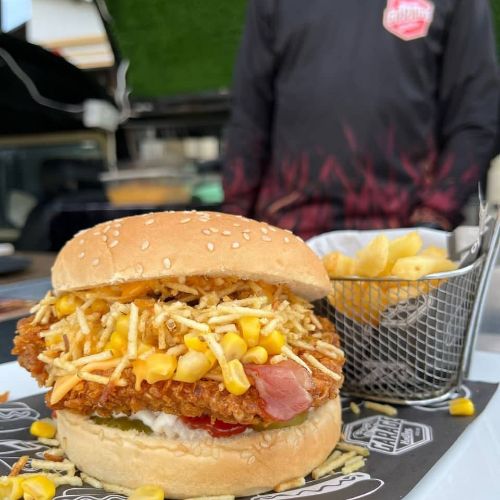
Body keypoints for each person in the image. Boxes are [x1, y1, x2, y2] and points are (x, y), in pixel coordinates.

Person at [223, 0, 499, 240]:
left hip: (402, 242)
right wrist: (233, 221)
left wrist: (434, 215)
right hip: (291, 234)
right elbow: (249, 117)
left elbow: (476, 115)